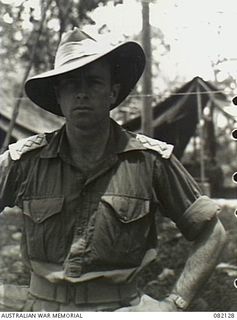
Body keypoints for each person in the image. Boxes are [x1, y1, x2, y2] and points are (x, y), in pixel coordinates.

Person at [0, 28, 226, 312]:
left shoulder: (149, 160)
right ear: (59, 95)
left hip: (119, 309)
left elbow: (213, 233)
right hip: (41, 309)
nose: (81, 93)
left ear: (113, 92)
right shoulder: (26, 161)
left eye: (93, 82)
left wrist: (174, 303)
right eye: (71, 83)